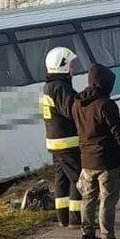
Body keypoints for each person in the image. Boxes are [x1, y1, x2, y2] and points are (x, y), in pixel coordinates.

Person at [73, 63, 120, 239]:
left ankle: (87, 235)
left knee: (88, 198)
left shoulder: (77, 103)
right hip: (107, 160)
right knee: (107, 200)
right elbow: (118, 131)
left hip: (86, 159)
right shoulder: (106, 104)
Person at [43, 47, 84, 227]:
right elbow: (72, 111)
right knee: (78, 178)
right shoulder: (61, 88)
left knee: (62, 179)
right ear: (63, 67)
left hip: (55, 142)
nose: (73, 68)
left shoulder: (49, 86)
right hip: (68, 141)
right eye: (70, 65)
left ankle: (63, 217)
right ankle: (77, 218)